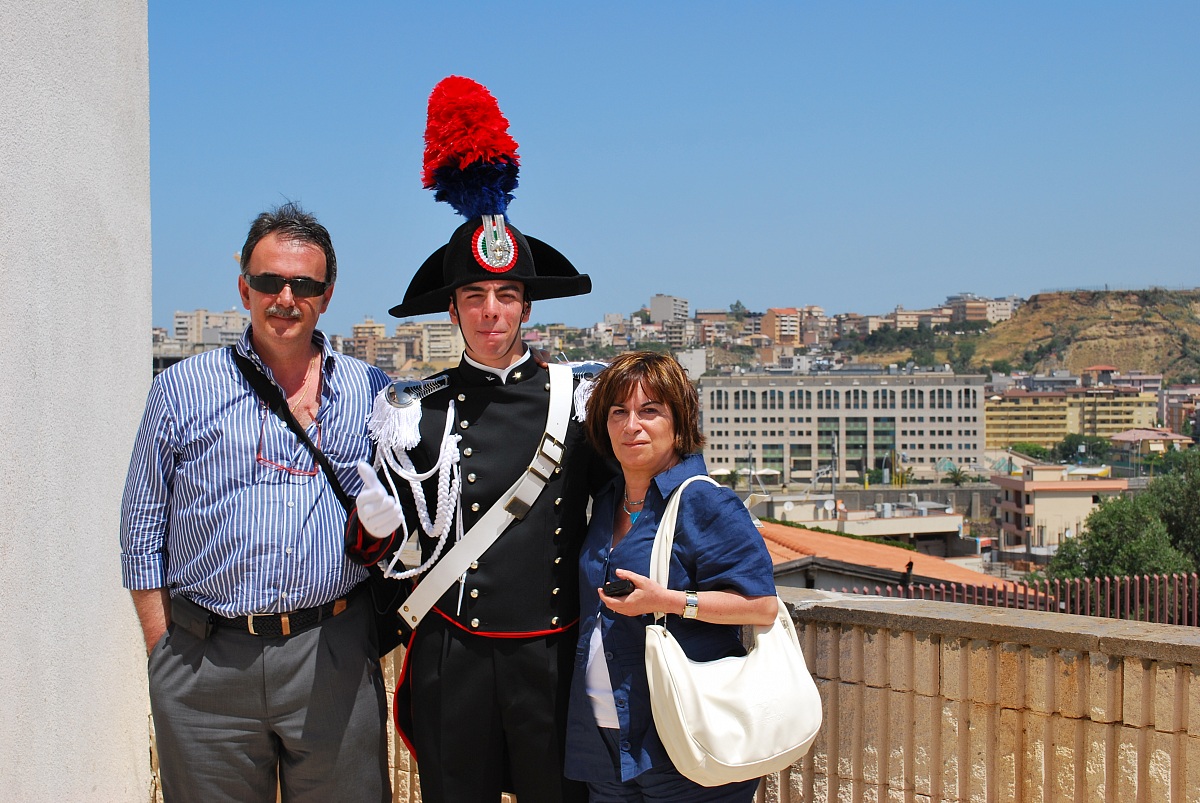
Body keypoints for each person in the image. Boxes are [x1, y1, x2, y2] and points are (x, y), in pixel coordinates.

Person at [347, 76, 609, 803]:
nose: (491, 311)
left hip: (552, 660)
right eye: (475, 296)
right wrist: (373, 528)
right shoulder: (412, 410)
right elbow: (389, 553)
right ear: (453, 310)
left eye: (506, 295)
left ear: (526, 306)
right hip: (453, 658)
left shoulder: (580, 400)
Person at [120, 203, 392, 803]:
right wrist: (165, 654)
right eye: (269, 281)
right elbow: (141, 528)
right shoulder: (180, 390)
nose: (285, 298)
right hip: (204, 665)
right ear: (244, 288)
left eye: (304, 285)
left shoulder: (372, 393)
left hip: (332, 655)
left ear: (327, 296)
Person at [564, 351, 779, 801]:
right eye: (618, 412)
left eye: (649, 411)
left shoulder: (704, 501)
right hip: (604, 742)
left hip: (682, 739)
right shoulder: (606, 501)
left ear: (679, 424)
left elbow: (761, 606)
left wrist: (669, 601)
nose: (632, 426)